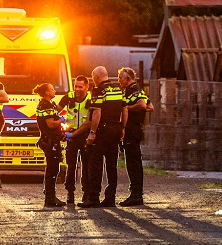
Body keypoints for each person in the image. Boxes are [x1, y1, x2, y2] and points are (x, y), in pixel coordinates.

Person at [78, 66, 127, 208]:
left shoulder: (98, 90)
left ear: (97, 77)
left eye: (93, 77)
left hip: (103, 130)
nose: (93, 80)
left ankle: (93, 198)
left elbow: (97, 113)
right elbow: (124, 110)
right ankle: (110, 198)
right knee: (112, 165)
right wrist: (122, 128)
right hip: (115, 129)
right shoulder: (118, 89)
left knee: (96, 163)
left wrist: (92, 132)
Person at [117, 67, 152, 206]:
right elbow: (151, 107)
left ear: (128, 78)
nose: (119, 80)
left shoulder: (134, 89)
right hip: (133, 129)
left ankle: (136, 195)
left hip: (132, 129)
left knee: (133, 163)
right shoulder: (134, 90)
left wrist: (125, 109)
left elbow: (143, 106)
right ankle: (136, 193)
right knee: (133, 162)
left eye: (120, 77)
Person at [56, 75, 93, 205]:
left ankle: (86, 193)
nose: (77, 89)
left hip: (84, 135)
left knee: (86, 165)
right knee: (71, 166)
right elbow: (55, 110)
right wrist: (61, 123)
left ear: (87, 87)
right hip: (71, 135)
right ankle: (70, 192)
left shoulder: (90, 100)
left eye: (80, 87)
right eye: (76, 86)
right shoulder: (68, 97)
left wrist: (74, 134)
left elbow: (89, 123)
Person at [34, 82, 65, 207]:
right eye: (52, 89)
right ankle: (50, 198)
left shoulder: (49, 104)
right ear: (46, 92)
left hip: (52, 140)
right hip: (50, 141)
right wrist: (62, 119)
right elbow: (51, 124)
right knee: (52, 169)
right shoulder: (44, 105)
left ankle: (50, 194)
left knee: (53, 168)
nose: (54, 91)